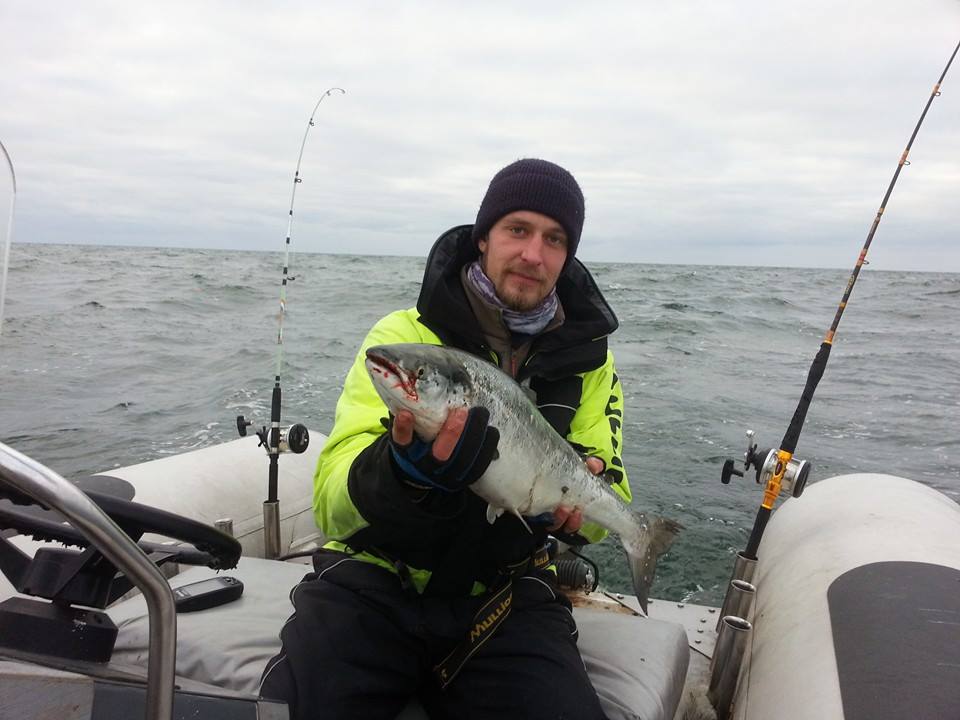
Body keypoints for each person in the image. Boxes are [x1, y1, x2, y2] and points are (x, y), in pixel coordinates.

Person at [260, 158, 630, 720]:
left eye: (554, 239)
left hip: (508, 596)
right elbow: (331, 506)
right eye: (517, 229)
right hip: (375, 581)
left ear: (567, 255)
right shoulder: (403, 336)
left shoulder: (592, 365)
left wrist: (572, 516)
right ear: (484, 237)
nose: (533, 254)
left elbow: (606, 505)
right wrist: (402, 471)